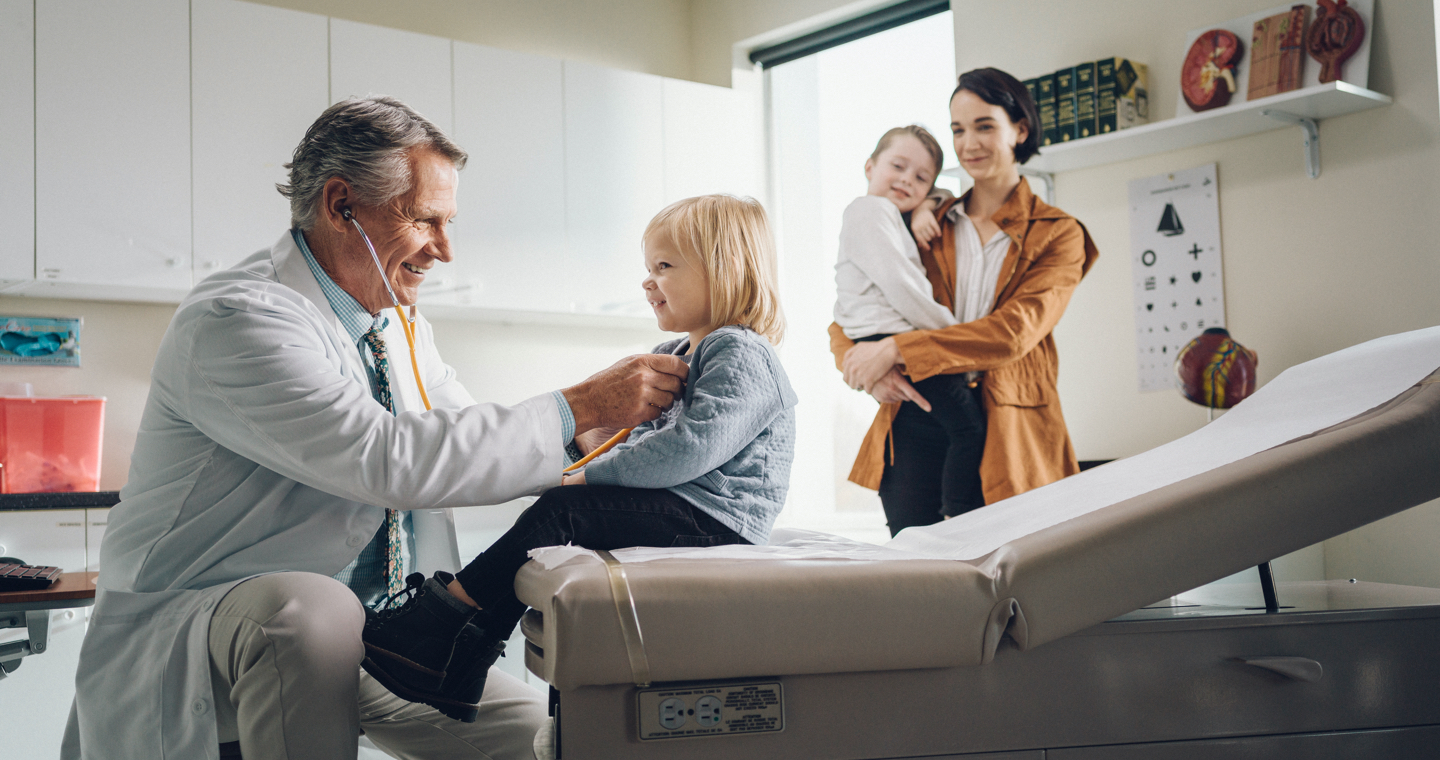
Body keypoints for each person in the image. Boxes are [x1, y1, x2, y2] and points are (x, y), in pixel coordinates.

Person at [63, 96, 690, 760]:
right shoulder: (238, 318)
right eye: (425, 220)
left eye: (448, 223)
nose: (444, 250)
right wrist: (581, 405)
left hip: (368, 634)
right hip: (206, 634)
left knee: (550, 739)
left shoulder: (393, 324)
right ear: (341, 206)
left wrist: (605, 443)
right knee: (310, 612)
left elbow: (459, 439)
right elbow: (384, 458)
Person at [359, 194, 797, 720]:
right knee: (555, 515)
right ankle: (454, 658)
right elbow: (645, 437)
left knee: (561, 513)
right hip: (693, 508)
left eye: (664, 266)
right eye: (647, 267)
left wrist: (588, 479)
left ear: (723, 271)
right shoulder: (686, 352)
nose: (647, 281)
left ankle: (438, 630)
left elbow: (689, 450)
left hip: (721, 517)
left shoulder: (742, 351)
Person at [830, 68, 1100, 536]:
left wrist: (897, 350)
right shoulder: (928, 220)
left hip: (1010, 427)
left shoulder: (1059, 234)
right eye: (958, 129)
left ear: (1020, 129)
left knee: (1012, 578)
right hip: (915, 415)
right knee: (919, 583)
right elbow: (857, 304)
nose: (968, 142)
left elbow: (1012, 333)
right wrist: (862, 370)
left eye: (984, 126)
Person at [834, 125, 996, 532]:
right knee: (968, 426)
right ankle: (957, 514)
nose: (907, 179)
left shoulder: (888, 214)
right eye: (897, 166)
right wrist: (951, 337)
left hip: (883, 338)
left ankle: (950, 513)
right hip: (894, 338)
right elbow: (903, 285)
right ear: (870, 166)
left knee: (954, 426)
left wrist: (925, 206)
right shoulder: (868, 211)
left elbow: (944, 196)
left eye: (921, 177)